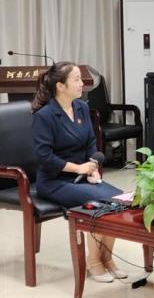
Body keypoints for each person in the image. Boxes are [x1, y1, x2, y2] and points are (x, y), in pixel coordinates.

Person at [32, 62, 127, 283]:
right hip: (55, 181)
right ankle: (93, 262)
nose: (82, 84)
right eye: (76, 79)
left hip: (82, 177)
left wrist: (92, 168)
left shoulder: (82, 107)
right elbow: (44, 157)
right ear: (60, 86)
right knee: (101, 204)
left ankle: (107, 258)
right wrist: (78, 168)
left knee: (120, 200)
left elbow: (91, 143)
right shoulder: (45, 116)